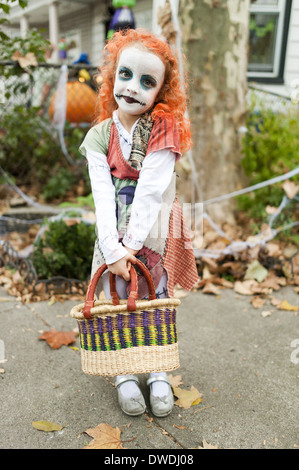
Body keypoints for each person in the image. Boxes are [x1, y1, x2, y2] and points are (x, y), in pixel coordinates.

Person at [79, 28, 199, 417]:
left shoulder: (163, 129)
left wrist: (130, 247)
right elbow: (101, 195)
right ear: (113, 75)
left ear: (161, 92)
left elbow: (150, 190)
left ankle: (158, 368)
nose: (132, 87)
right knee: (117, 295)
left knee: (154, 292)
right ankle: (123, 373)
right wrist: (112, 249)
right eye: (126, 75)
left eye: (147, 82)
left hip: (154, 230)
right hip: (114, 231)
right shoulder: (100, 135)